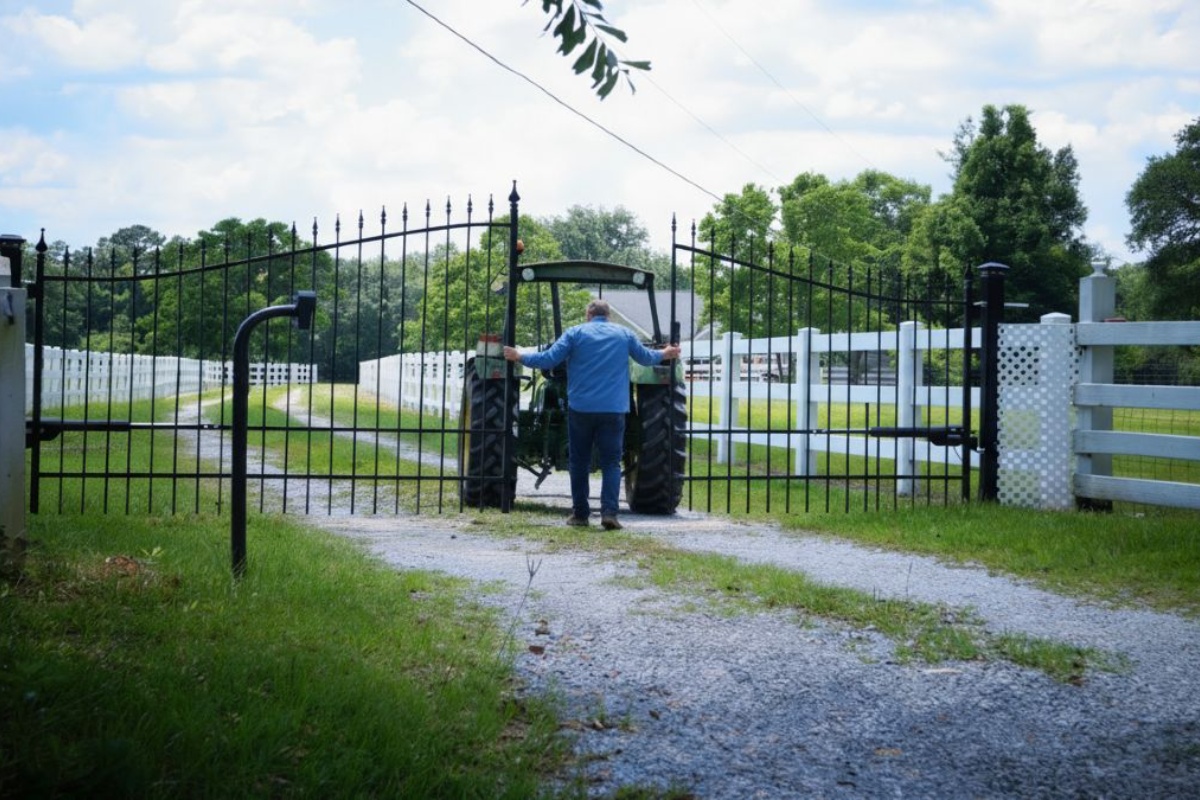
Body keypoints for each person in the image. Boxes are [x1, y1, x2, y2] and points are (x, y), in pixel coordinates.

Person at [503, 299, 680, 530]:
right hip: (614, 410)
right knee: (612, 463)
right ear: (608, 316)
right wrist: (666, 353)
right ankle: (609, 513)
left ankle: (580, 514)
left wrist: (519, 356)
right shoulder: (624, 334)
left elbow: (549, 359)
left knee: (579, 462)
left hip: (581, 409)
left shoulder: (575, 333)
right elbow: (646, 358)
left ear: (588, 314)